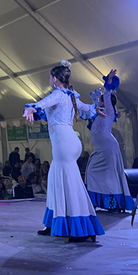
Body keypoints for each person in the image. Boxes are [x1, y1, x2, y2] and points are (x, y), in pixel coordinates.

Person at [23, 60, 105, 242]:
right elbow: (88, 110)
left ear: (54, 79)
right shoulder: (71, 96)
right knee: (55, 182)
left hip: (64, 144)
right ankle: (53, 224)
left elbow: (44, 102)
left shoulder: (59, 95)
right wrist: (95, 107)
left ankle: (83, 230)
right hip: (70, 142)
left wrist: (31, 107)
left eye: (49, 77)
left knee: (69, 184)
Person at [85, 70, 134, 212]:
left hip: (108, 148)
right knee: (93, 172)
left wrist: (109, 82)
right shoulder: (98, 112)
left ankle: (112, 204)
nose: (98, 101)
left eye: (99, 100)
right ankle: (95, 202)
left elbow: (106, 94)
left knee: (109, 177)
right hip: (101, 149)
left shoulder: (109, 111)